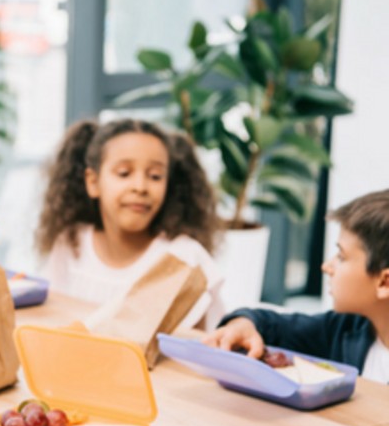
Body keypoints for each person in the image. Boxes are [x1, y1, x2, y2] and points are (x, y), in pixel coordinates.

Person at [36, 118, 224, 329]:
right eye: (124, 173)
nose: (140, 187)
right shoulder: (72, 242)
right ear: (93, 182)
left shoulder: (184, 258)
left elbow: (195, 350)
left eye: (155, 176)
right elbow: (48, 321)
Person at [205, 189, 389, 384]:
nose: (326, 266)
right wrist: (243, 324)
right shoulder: (344, 328)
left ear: (384, 282)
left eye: (341, 257)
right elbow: (274, 326)